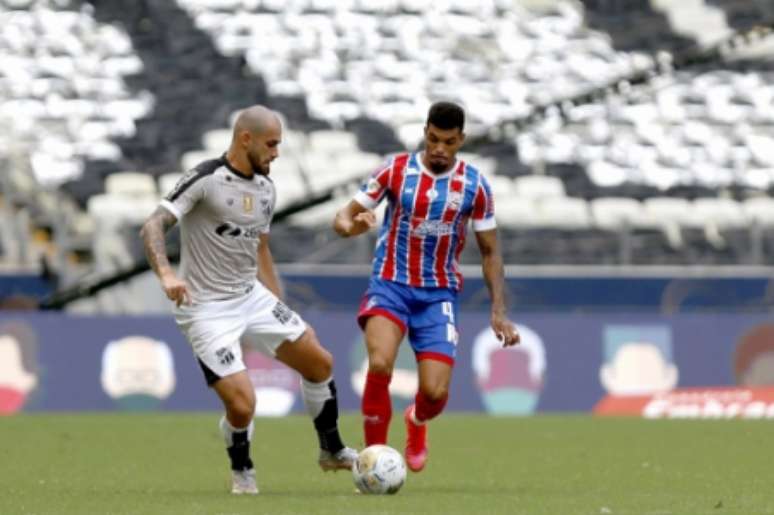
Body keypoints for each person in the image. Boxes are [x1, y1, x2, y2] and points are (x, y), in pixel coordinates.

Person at [140, 105, 356, 495]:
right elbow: (153, 223)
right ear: (245, 139)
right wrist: (167, 274)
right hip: (204, 307)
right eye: (271, 144)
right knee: (243, 404)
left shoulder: (266, 188)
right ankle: (242, 469)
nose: (276, 153)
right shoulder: (205, 179)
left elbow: (260, 248)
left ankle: (332, 450)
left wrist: (276, 300)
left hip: (251, 297)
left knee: (320, 362)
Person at [333, 101, 520, 472]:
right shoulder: (396, 170)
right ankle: (373, 460)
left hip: (437, 295)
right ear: (424, 131)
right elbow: (342, 217)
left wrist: (498, 311)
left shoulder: (475, 186)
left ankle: (416, 421)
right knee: (382, 362)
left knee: (435, 393)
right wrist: (354, 226)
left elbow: (490, 253)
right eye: (433, 139)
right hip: (390, 284)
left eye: (448, 142)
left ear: (461, 140)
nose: (438, 149)